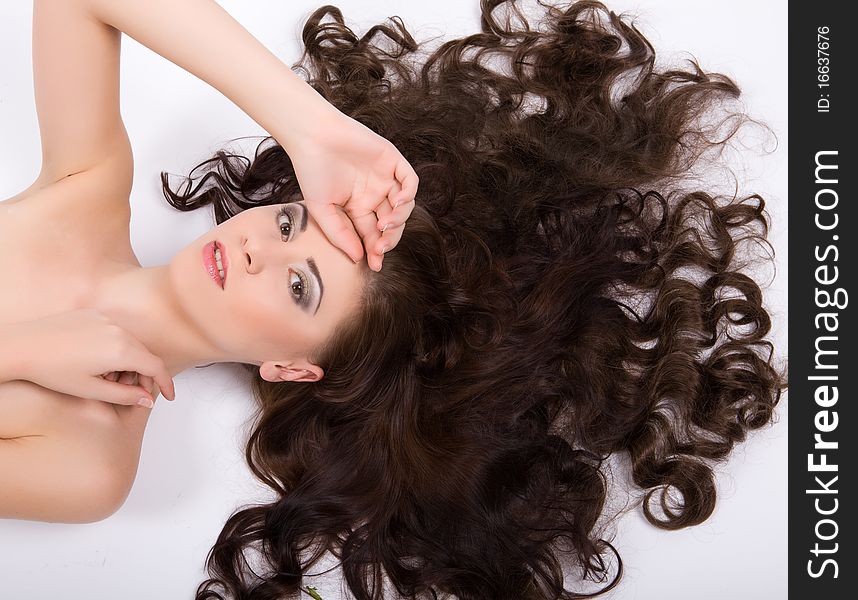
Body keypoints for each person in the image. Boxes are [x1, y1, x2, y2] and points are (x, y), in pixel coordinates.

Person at [0, 0, 787, 599]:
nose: (256, 245)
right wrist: (309, 126)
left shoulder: (90, 467)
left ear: (295, 368)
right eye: (287, 221)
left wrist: (24, 354)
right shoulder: (85, 191)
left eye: (299, 284)